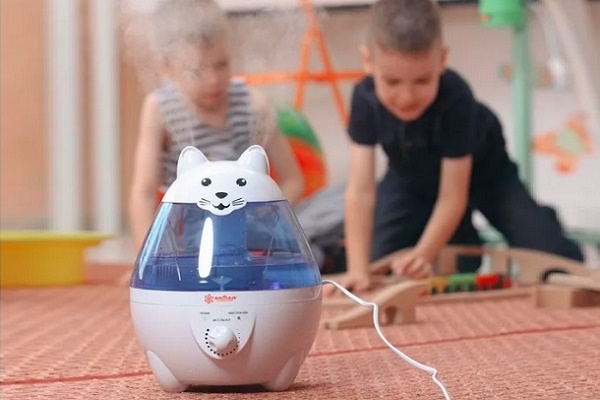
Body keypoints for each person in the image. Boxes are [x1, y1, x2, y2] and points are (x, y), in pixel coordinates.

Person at [340, 0, 584, 293]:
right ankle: (462, 234)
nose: (406, 97)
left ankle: (533, 223)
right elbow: (360, 191)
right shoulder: (364, 98)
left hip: (488, 178)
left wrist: (424, 254)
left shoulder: (456, 98)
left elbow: (452, 198)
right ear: (368, 62)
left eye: (422, 81)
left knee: (554, 258)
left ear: (442, 60)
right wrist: (357, 269)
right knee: (380, 264)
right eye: (392, 82)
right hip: (410, 181)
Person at [128, 0, 304, 249]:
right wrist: (146, 254)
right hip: (192, 231)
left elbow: (293, 179)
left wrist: (264, 215)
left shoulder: (253, 105)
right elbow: (144, 191)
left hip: (251, 224)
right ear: (166, 68)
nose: (213, 80)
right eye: (197, 71)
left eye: (222, 65)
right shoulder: (160, 109)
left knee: (330, 207)